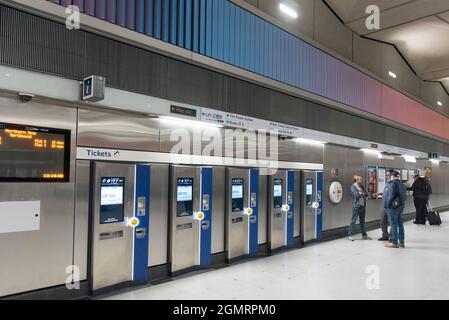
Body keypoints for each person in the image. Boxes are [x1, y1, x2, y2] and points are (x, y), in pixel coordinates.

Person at [383, 171, 407, 248]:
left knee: (393, 224)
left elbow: (390, 195)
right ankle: (402, 242)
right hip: (400, 206)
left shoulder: (392, 184)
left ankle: (394, 242)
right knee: (400, 224)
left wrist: (387, 205)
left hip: (393, 207)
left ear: (392, 176)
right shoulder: (401, 184)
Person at [348, 175, 372, 241]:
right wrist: (362, 193)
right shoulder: (353, 187)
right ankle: (350, 235)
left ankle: (364, 235)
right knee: (353, 221)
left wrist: (362, 193)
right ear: (356, 180)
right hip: (356, 206)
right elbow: (357, 196)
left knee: (362, 221)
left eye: (361, 179)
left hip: (362, 206)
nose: (361, 181)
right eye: (360, 179)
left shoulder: (361, 186)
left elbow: (366, 194)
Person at [375, 170, 393, 241]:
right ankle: (385, 235)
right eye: (387, 175)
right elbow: (386, 193)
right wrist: (379, 194)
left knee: (392, 222)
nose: (387, 176)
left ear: (392, 175)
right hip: (384, 205)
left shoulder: (394, 184)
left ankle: (392, 237)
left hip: (390, 206)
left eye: (388, 175)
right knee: (383, 221)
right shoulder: (387, 183)